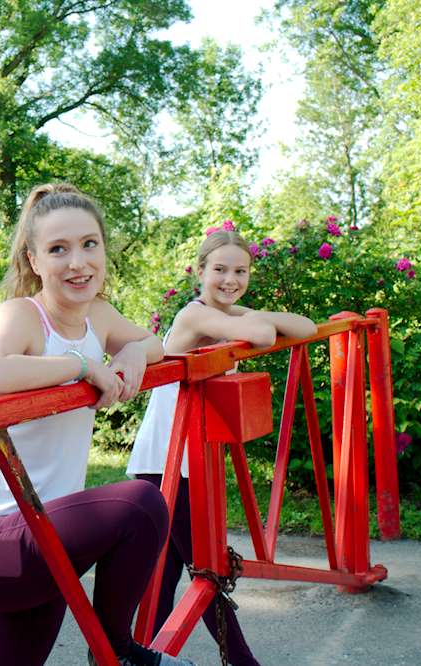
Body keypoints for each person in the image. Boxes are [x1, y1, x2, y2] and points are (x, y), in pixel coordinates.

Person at [0, 183, 197, 666]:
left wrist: (128, 352)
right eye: (58, 249)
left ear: (104, 249)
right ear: (34, 260)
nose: (77, 262)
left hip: (49, 537)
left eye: (89, 245)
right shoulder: (22, 315)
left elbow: (154, 344)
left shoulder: (98, 317)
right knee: (142, 505)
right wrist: (81, 367)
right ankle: (116, 654)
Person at [127, 228, 318, 665]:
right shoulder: (195, 317)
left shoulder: (229, 314)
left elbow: (305, 327)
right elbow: (268, 337)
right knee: (205, 568)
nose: (230, 280)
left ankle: (128, 657)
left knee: (168, 575)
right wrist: (259, 318)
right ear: (199, 272)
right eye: (219, 270)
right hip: (168, 463)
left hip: (190, 461)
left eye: (240, 271)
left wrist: (258, 311)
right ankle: (243, 661)